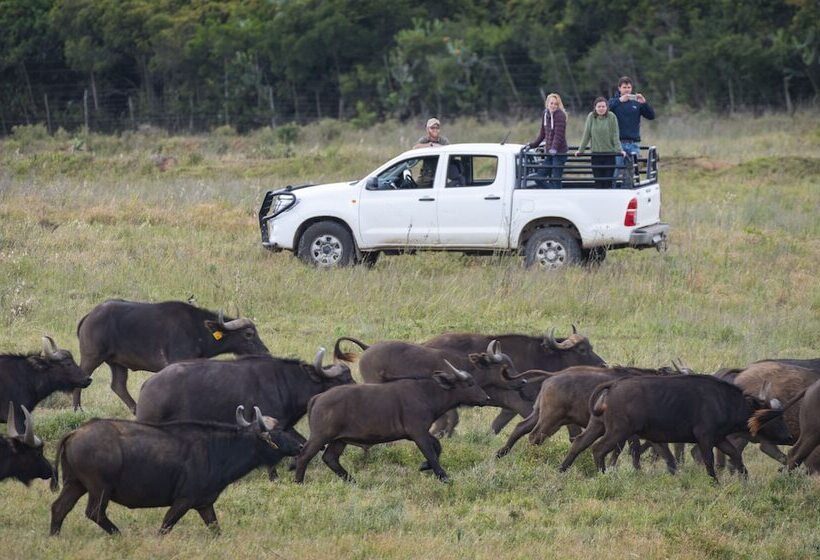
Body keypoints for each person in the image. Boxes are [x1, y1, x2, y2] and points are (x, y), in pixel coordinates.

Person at [608, 76, 655, 178]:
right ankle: (615, 190)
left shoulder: (636, 102)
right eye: (624, 87)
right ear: (619, 88)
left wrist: (644, 103)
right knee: (618, 171)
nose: (627, 90)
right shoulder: (614, 101)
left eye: (629, 87)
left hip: (634, 143)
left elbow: (651, 116)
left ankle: (630, 190)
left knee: (632, 172)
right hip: (618, 143)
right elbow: (604, 111)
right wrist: (619, 100)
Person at [575, 97, 625, 189]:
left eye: (603, 106)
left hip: (609, 155)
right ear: (595, 107)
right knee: (598, 182)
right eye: (599, 106)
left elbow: (615, 135)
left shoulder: (611, 117)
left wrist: (619, 150)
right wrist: (580, 150)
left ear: (606, 107)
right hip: (596, 154)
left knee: (607, 182)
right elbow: (587, 134)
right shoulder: (591, 117)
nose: (601, 108)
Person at [526, 93, 568, 189]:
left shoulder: (560, 115)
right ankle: (554, 193)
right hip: (549, 154)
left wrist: (554, 148)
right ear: (547, 103)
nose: (553, 106)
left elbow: (559, 135)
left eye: (556, 104)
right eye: (551, 103)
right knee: (539, 177)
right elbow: (542, 133)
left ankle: (556, 196)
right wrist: (533, 145)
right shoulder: (545, 114)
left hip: (559, 153)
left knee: (556, 179)